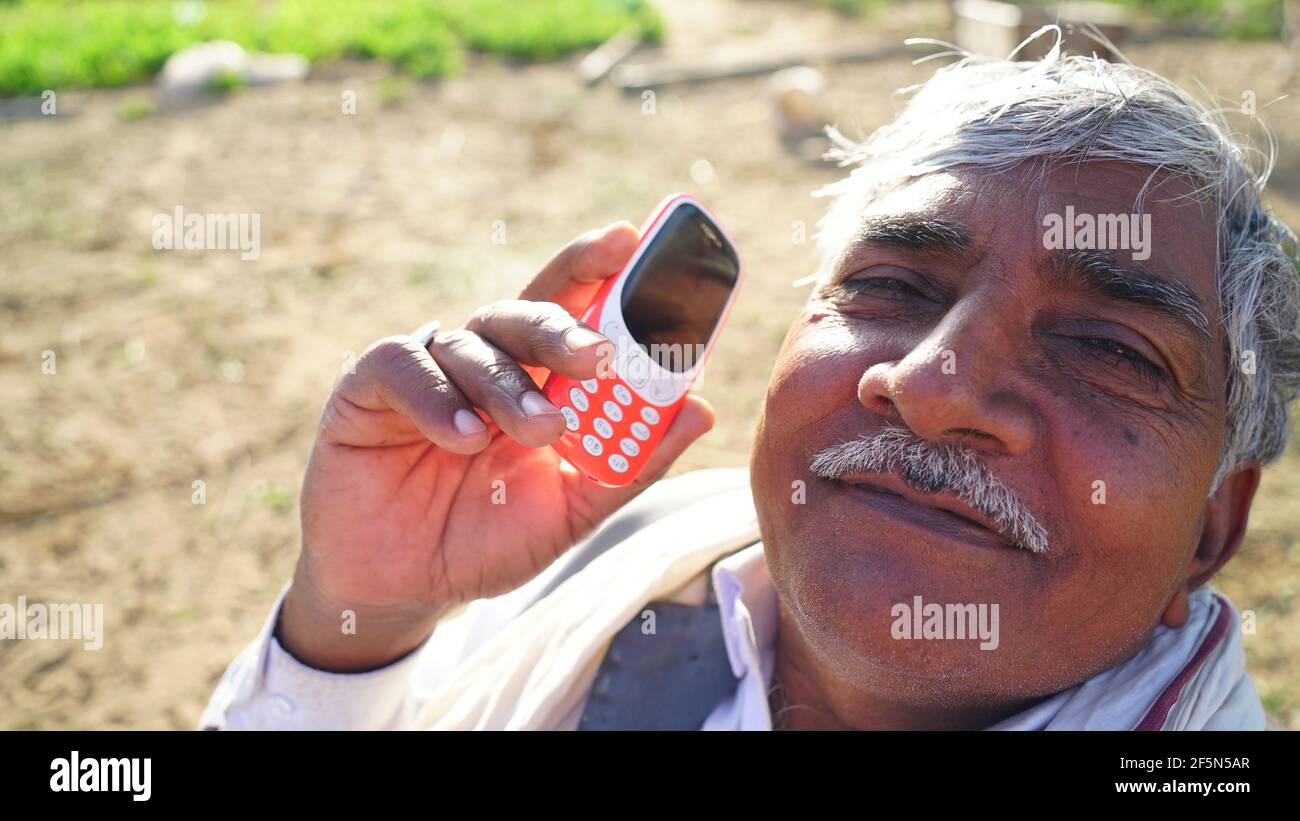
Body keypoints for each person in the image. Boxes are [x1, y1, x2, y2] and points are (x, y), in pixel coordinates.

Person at [201, 42, 1300, 730]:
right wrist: (361, 619)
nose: (927, 384)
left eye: (1111, 349)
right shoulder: (632, 555)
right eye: (891, 283)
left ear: (1211, 524)